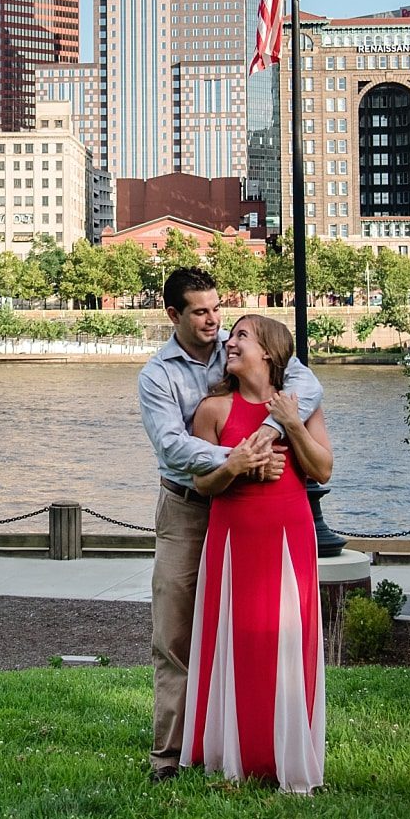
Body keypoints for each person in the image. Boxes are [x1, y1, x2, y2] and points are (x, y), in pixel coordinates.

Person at [139, 267, 323, 782]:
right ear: (172, 315)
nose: (213, 320)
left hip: (244, 513)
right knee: (175, 635)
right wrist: (235, 459)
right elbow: (173, 447)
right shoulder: (157, 376)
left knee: (243, 632)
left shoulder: (237, 345)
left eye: (217, 309)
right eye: (200, 311)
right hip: (186, 507)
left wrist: (266, 431)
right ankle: (168, 758)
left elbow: (306, 381)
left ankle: (240, 745)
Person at [179, 313, 331, 793]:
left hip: (289, 534)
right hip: (233, 536)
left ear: (268, 350)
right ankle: (230, 753)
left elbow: (322, 469)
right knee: (234, 639)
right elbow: (201, 484)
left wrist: (291, 425)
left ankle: (283, 752)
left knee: (284, 638)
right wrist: (238, 465)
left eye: (242, 335)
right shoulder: (214, 410)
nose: (230, 341)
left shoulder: (298, 404)